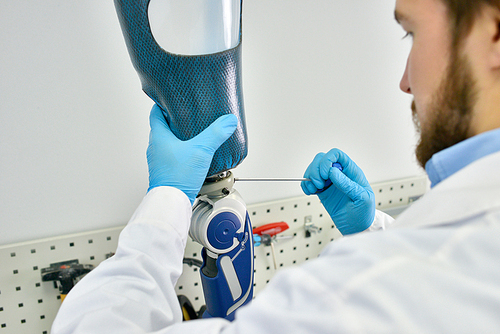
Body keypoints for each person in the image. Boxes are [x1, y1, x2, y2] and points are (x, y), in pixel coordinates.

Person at [51, 0, 500, 332]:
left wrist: (165, 201)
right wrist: (372, 233)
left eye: (412, 35)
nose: (404, 82)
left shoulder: (353, 302)